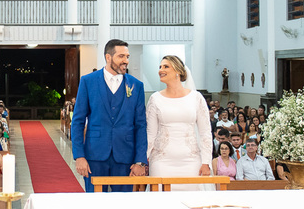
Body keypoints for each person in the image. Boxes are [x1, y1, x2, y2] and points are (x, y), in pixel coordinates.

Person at [71, 39, 148, 192]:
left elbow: (141, 125)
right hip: (95, 155)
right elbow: (78, 121)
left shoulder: (136, 85)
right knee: (95, 206)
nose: (125, 61)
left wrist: (140, 161)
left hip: (125, 156)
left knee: (123, 207)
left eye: (127, 56)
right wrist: (79, 156)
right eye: (121, 56)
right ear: (108, 57)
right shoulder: (88, 81)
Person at [146, 55, 211, 191]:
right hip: (162, 160)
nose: (161, 70)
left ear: (178, 71)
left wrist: (206, 162)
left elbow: (205, 133)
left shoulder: (196, 98)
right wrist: (144, 159)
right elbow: (150, 134)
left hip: (191, 160)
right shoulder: (155, 99)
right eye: (160, 67)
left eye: (166, 66)